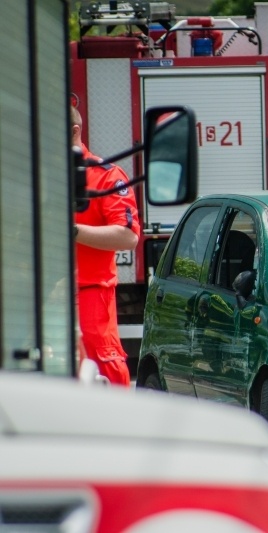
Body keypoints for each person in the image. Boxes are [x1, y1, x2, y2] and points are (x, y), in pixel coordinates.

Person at [72, 106, 140, 386]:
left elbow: (128, 236)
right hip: (34, 296)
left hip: (90, 295)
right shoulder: (28, 175)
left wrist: (71, 230)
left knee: (104, 374)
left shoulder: (105, 176)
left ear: (74, 131)